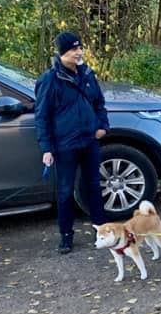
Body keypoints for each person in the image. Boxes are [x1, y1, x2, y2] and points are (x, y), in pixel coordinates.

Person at [34, 31, 108, 255]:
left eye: (80, 48)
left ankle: (101, 230)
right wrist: (46, 148)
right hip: (64, 146)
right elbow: (42, 116)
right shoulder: (49, 79)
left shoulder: (87, 74)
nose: (79, 52)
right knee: (65, 192)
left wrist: (102, 126)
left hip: (89, 142)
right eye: (74, 49)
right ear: (62, 52)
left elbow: (99, 103)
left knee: (94, 186)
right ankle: (66, 236)